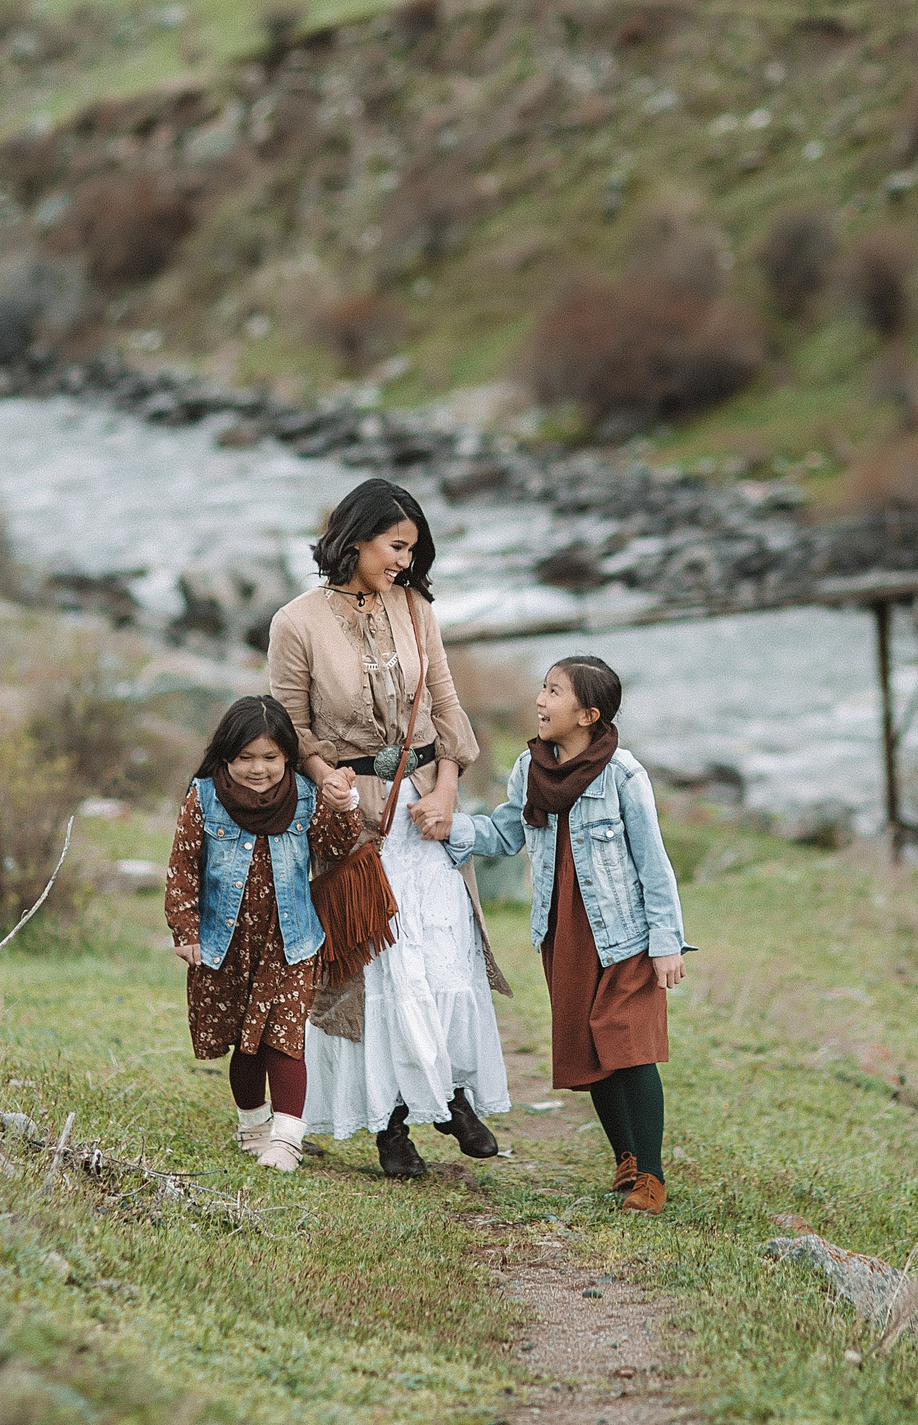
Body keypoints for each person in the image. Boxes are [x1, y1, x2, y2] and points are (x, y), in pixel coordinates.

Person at [268, 477, 512, 1178]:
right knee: (381, 963)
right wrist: (325, 780)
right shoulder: (297, 621)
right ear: (357, 536)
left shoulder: (415, 607)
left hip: (422, 806)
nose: (405, 561)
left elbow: (444, 702)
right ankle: (394, 1123)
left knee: (442, 954)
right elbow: (290, 724)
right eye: (396, 546)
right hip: (351, 813)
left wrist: (447, 790)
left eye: (412, 549)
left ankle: (452, 1095)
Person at [450, 656, 688, 1213]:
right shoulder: (527, 770)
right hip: (564, 931)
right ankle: (625, 1159)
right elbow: (507, 833)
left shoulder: (623, 774)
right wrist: (451, 828)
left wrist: (667, 941)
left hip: (624, 930)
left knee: (628, 1045)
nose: (540, 699)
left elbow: (654, 863)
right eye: (542, 687)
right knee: (593, 1050)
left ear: (588, 714)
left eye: (554, 692)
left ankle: (650, 1176)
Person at [163, 695, 365, 1174]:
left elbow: (335, 847)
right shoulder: (205, 796)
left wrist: (343, 805)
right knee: (242, 1040)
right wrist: (185, 928)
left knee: (284, 1039)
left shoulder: (304, 795)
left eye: (270, 757)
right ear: (226, 757)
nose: (259, 769)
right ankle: (253, 1126)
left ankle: (288, 1137)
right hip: (223, 943)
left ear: (288, 757)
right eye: (245, 758)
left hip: (289, 941)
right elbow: (183, 866)